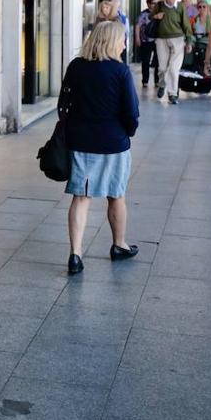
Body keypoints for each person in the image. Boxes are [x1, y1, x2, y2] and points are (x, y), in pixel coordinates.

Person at [61, 21, 140, 275]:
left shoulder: (76, 66)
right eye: (123, 39)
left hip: (81, 141)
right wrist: (128, 132)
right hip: (113, 143)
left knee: (81, 198)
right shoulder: (120, 71)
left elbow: (64, 104)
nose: (125, 43)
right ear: (113, 42)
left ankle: (75, 254)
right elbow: (131, 112)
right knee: (116, 195)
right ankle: (118, 245)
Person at [152, 0, 193, 104]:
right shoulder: (159, 5)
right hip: (161, 39)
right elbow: (150, 17)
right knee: (162, 68)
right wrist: (156, 16)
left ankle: (172, 94)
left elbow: (186, 25)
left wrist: (189, 41)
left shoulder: (180, 7)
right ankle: (161, 84)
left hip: (178, 39)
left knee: (174, 69)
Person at [134, 0, 159, 88]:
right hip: (145, 40)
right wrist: (137, 38)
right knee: (145, 61)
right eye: (153, 3)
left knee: (158, 62)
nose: (155, 5)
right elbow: (138, 26)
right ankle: (145, 81)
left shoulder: (160, 13)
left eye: (157, 3)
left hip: (157, 41)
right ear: (148, 4)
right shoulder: (143, 14)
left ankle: (157, 81)